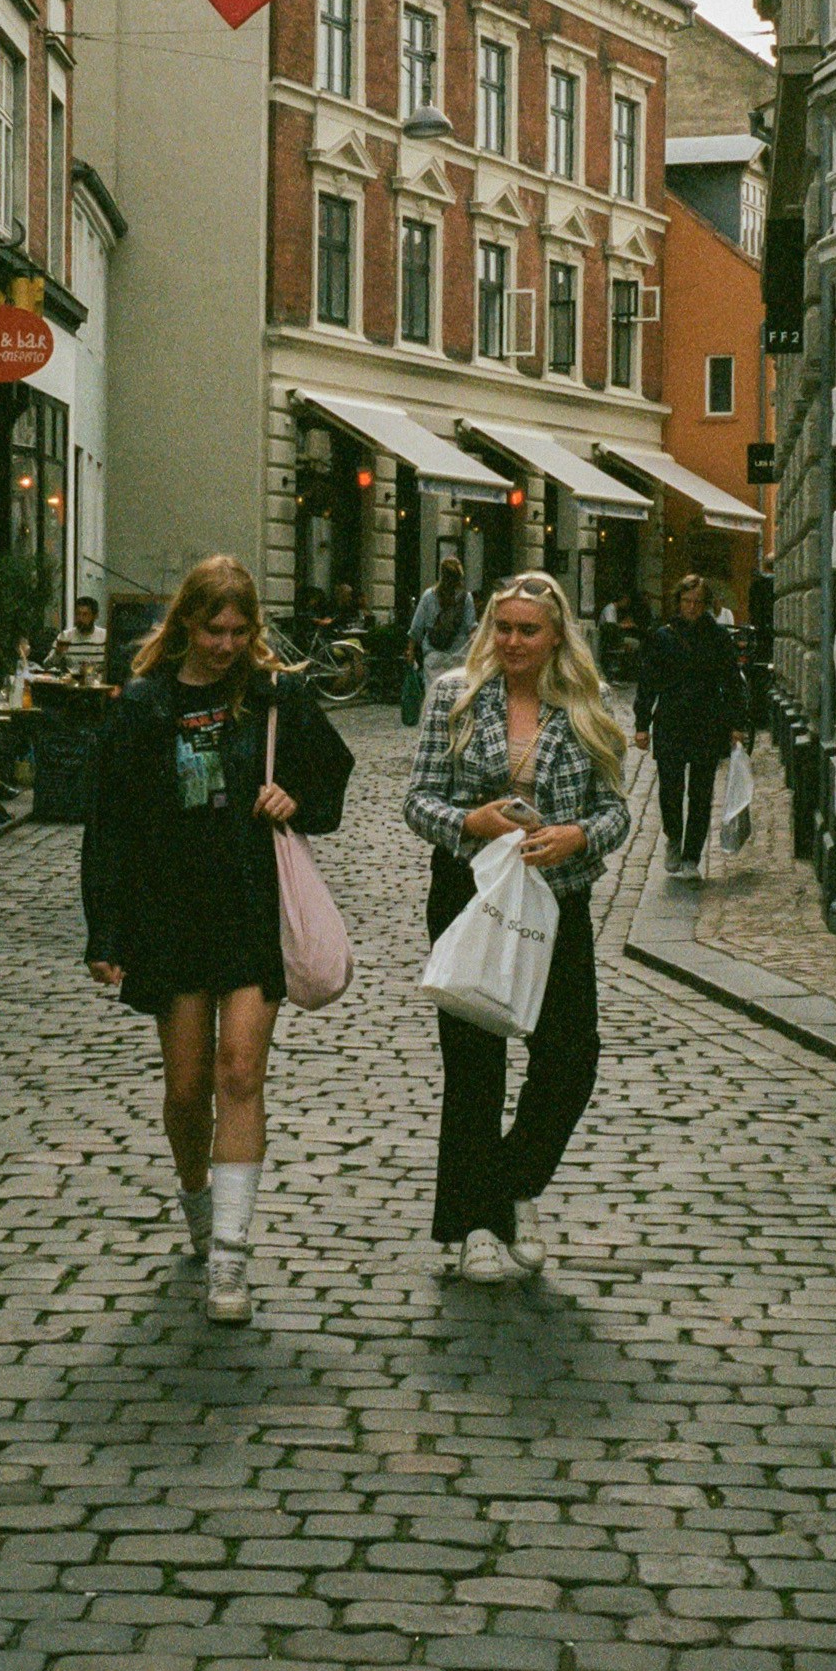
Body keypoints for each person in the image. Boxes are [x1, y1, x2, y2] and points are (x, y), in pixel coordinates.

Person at [82, 554, 354, 1326]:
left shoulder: (275, 697)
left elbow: (331, 773)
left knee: (240, 1072)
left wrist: (291, 794)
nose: (226, 644)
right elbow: (108, 821)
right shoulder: (144, 705)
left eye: (240, 630)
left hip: (247, 906)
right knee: (185, 1088)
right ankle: (197, 1198)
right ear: (186, 623)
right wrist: (105, 926)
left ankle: (232, 1254)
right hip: (170, 911)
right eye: (213, 629)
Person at [404, 570, 630, 1284]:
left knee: (569, 1055)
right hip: (470, 891)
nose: (511, 641)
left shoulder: (585, 704)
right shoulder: (454, 696)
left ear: (555, 634)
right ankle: (473, 1224)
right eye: (501, 627)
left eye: (526, 629)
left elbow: (616, 811)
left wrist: (577, 838)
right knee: (473, 1062)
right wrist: (468, 821)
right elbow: (416, 801)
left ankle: (508, 1186)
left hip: (556, 895)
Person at [634, 574, 747, 880]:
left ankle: (692, 855)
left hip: (707, 720)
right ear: (679, 602)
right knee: (670, 789)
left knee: (700, 792)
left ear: (706, 604)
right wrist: (641, 724)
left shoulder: (718, 638)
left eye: (698, 602)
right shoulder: (663, 637)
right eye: (687, 601)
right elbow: (647, 683)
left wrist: (737, 723)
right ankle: (673, 836)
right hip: (671, 719)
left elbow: (732, 683)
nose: (693, 607)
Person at [407, 554, 476, 688]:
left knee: (433, 699)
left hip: (434, 657)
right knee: (456, 700)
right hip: (459, 658)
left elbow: (416, 628)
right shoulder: (466, 597)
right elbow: (472, 629)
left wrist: (410, 652)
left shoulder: (428, 595)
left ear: (441, 574)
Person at [44, 594, 108, 684]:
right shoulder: (65, 636)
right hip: (72, 689)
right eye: (78, 614)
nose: (80, 618)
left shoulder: (104, 637)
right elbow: (46, 665)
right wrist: (58, 653)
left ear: (95, 616)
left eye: (85, 614)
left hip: (98, 688)